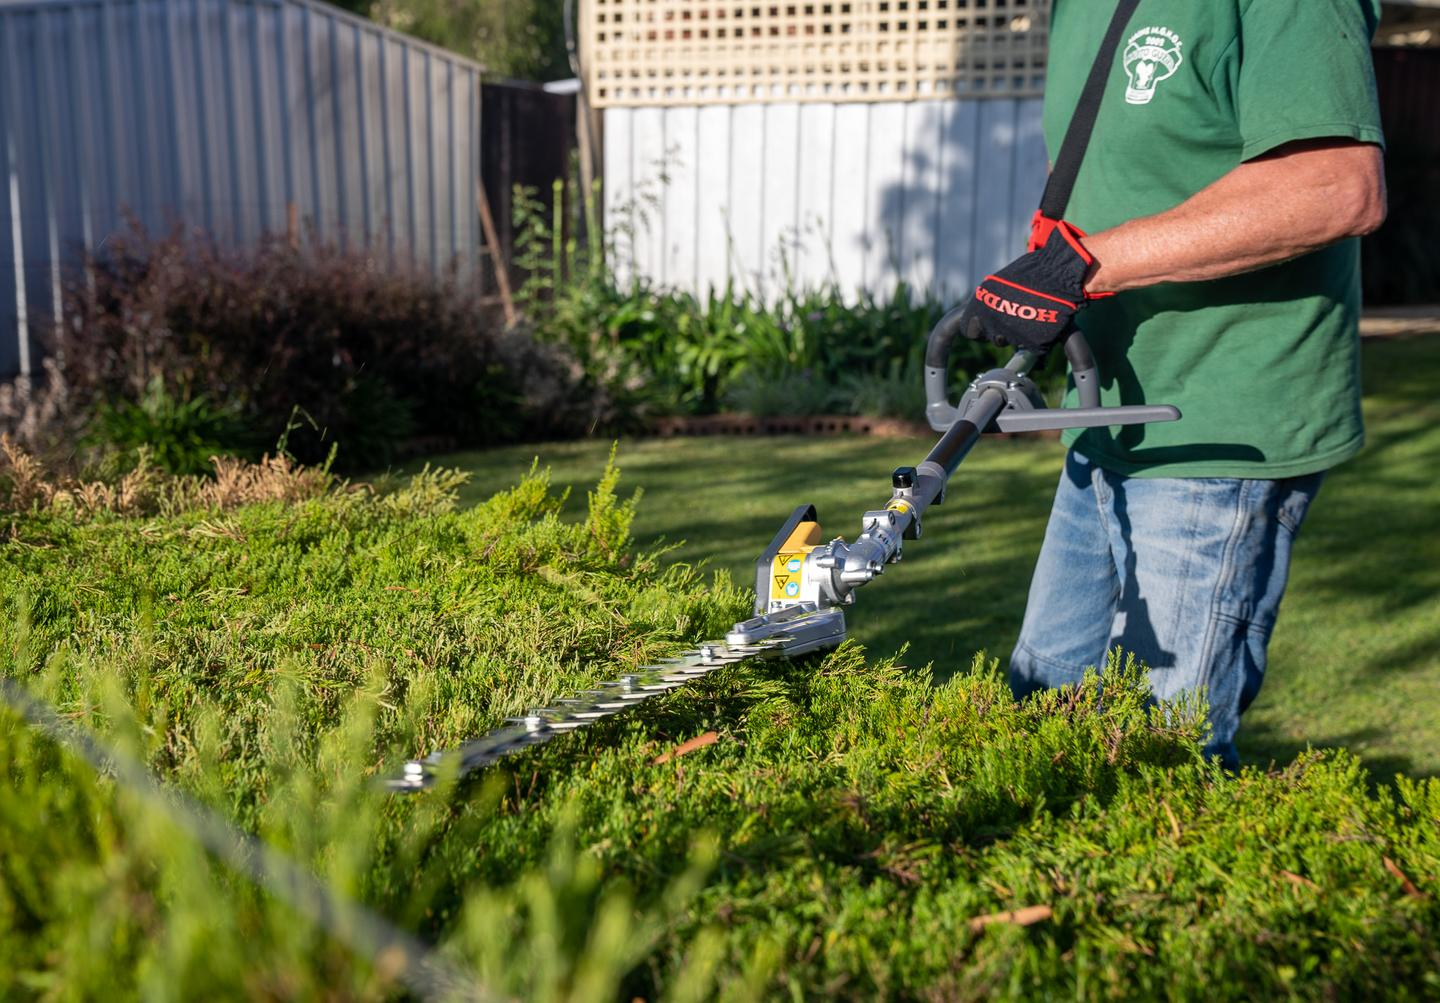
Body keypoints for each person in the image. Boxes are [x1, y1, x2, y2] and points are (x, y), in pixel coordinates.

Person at [956, 0, 1388, 770]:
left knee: (1161, 756)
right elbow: (1122, 166)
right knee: (1038, 720)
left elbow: (1333, 185)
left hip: (1217, 422)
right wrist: (1048, 277)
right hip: (1109, 418)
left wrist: (1087, 265)